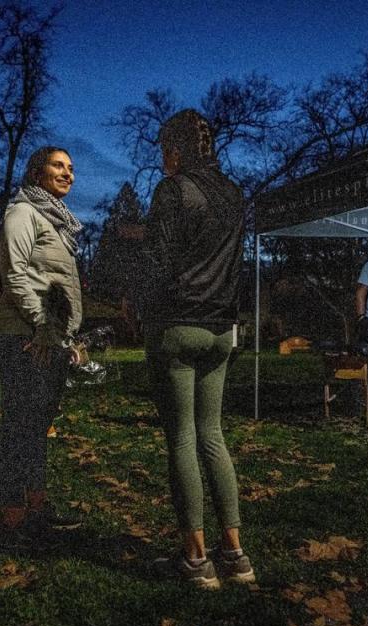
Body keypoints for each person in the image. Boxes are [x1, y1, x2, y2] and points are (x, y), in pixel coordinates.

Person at [138, 109, 254, 588]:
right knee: (213, 435)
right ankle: (236, 556)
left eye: (165, 150)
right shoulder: (233, 193)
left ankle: (195, 559)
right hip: (220, 327)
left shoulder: (173, 190)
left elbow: (157, 262)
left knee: (183, 438)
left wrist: (140, 302)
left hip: (178, 324)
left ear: (176, 149)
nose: (163, 159)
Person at [0, 145, 84, 549]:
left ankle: (37, 506)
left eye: (71, 168)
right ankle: (13, 519)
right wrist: (43, 326)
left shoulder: (57, 221)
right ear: (37, 171)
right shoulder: (22, 213)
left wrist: (66, 336)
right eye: (58, 166)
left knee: (37, 427)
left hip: (49, 338)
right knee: (20, 425)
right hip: (24, 336)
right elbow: (14, 274)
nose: (68, 173)